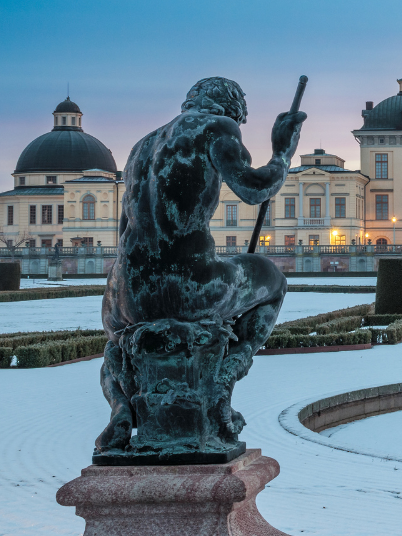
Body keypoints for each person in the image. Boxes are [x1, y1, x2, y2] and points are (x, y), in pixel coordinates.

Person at [96, 77, 304, 456]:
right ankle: (225, 378)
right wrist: (282, 153)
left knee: (116, 343)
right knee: (273, 281)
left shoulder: (141, 146)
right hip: (189, 285)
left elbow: (126, 228)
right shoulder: (217, 127)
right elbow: (255, 188)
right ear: (233, 110)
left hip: (128, 296)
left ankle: (121, 407)